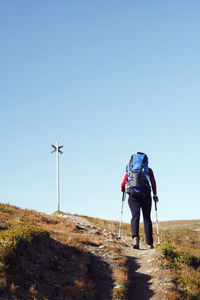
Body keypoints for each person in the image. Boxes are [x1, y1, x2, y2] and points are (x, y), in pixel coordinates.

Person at [121, 152, 158, 249]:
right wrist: (155, 195)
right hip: (145, 194)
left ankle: (135, 239)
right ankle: (149, 243)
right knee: (147, 218)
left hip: (133, 194)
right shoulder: (148, 170)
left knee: (135, 216)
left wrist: (123, 190)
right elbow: (153, 182)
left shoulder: (130, 170)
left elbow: (123, 183)